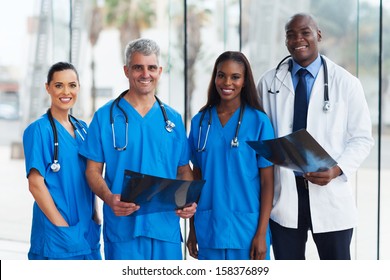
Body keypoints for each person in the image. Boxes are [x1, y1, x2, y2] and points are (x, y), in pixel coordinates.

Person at [257, 13, 374, 260]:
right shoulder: (269, 82)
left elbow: (362, 138)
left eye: (305, 32)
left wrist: (337, 169)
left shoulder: (346, 83)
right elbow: (260, 133)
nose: (298, 39)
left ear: (318, 35)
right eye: (291, 34)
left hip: (330, 196)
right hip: (285, 197)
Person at [79, 38, 197, 260]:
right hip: (123, 229)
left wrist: (188, 200)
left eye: (151, 67)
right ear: (126, 70)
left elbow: (183, 170)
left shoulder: (172, 119)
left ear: (160, 71)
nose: (146, 74)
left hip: (164, 228)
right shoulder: (105, 117)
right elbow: (92, 171)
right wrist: (108, 197)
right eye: (138, 67)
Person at [187, 51, 275, 260]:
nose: (227, 82)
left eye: (235, 77)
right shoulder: (200, 122)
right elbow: (195, 180)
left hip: (247, 230)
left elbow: (268, 182)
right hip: (209, 227)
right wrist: (192, 228)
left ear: (244, 81)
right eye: (221, 75)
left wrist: (262, 233)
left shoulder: (259, 122)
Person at [22, 62, 102, 260]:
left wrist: (96, 216)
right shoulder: (39, 130)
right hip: (57, 234)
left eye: (72, 85)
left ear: (78, 88)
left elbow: (91, 176)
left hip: (87, 231)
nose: (66, 91)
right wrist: (61, 227)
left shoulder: (83, 128)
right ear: (48, 88)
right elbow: (35, 184)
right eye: (59, 85)